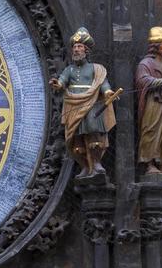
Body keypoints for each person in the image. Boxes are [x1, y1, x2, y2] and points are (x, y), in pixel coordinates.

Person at [50, 27, 116, 178]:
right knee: (76, 138)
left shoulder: (95, 69)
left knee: (93, 132)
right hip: (73, 104)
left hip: (92, 103)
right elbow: (61, 82)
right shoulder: (69, 70)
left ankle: (96, 163)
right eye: (74, 47)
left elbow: (102, 83)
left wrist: (107, 92)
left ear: (86, 50)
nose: (76, 50)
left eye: (79, 47)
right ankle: (85, 166)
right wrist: (57, 84)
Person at [135, 26, 162, 174]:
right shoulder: (146, 64)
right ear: (155, 46)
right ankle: (150, 163)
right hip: (153, 104)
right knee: (151, 131)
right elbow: (142, 80)